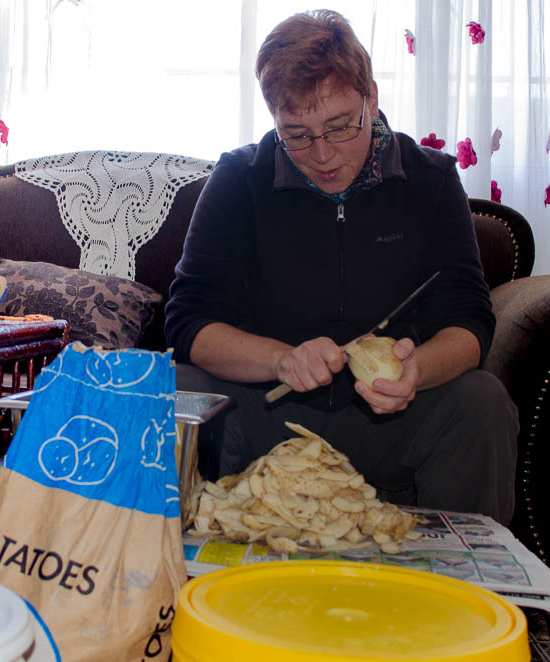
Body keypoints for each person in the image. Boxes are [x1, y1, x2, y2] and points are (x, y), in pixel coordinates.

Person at [164, 9, 518, 524]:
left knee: (481, 402)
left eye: (340, 126)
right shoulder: (239, 179)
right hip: (264, 411)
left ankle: (464, 576)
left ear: (371, 97)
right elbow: (188, 323)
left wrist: (415, 372)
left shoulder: (431, 180)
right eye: (297, 134)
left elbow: (468, 321)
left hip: (391, 419)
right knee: (172, 391)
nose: (323, 154)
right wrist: (281, 360)